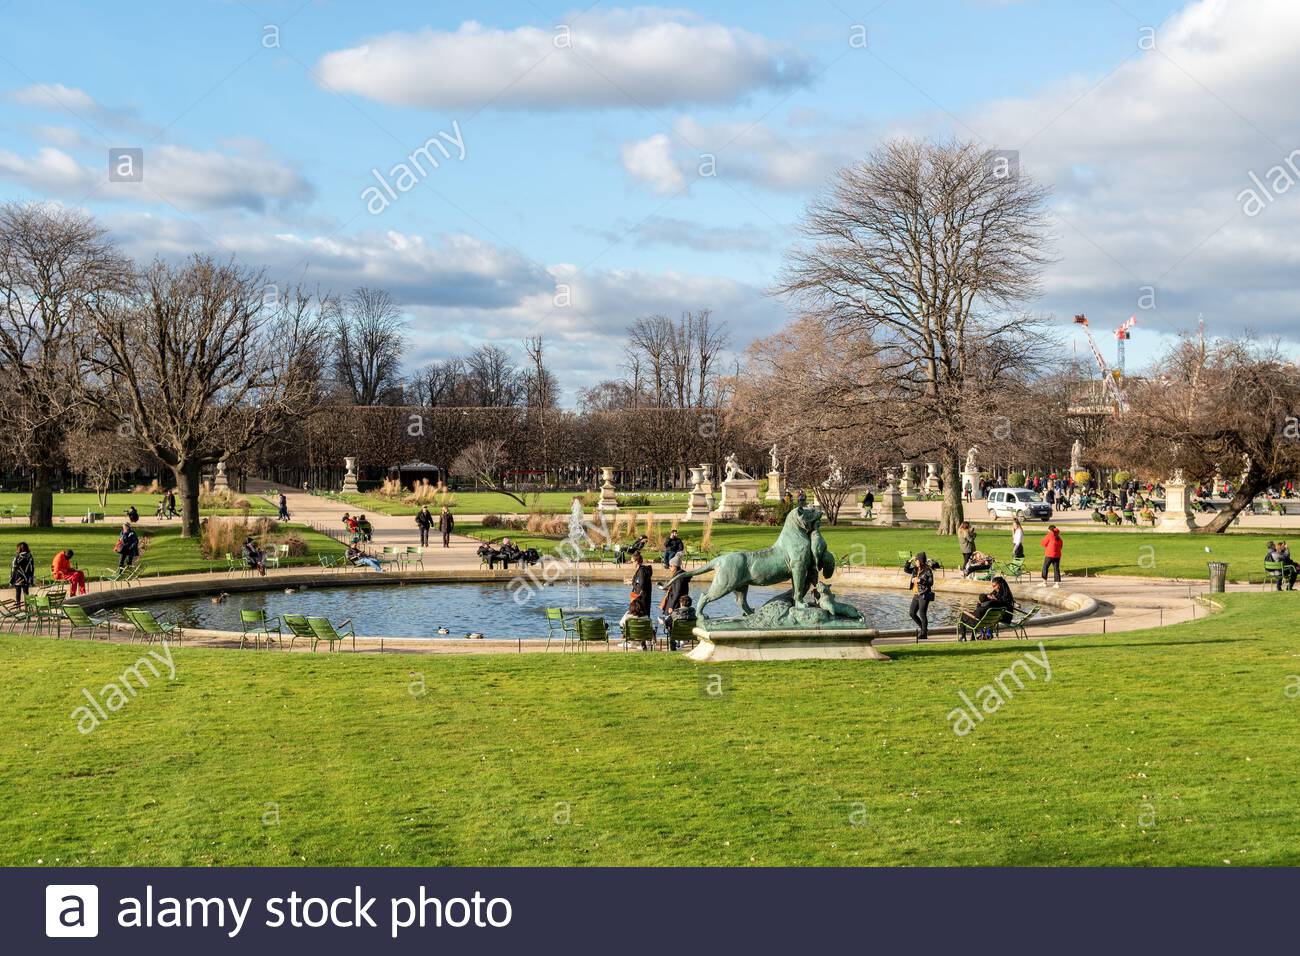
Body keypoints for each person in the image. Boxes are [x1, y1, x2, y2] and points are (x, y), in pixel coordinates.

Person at [957, 576, 1015, 641]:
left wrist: (985, 601)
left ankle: (963, 637)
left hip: (983, 620)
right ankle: (976, 637)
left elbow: (985, 604)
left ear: (1000, 585)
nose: (994, 588)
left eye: (994, 586)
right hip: (992, 619)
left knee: (962, 615)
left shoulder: (994, 602)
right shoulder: (1004, 597)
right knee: (977, 616)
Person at [620, 552, 654, 649]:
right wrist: (632, 582)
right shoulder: (642, 570)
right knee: (642, 619)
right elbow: (640, 583)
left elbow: (641, 585)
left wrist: (633, 584)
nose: (631, 563)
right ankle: (643, 642)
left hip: (641, 600)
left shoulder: (641, 571)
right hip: (644, 599)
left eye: (632, 561)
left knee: (639, 619)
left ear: (637, 561)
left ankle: (640, 642)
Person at [903, 551, 939, 641]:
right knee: (912, 613)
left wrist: (920, 580)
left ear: (921, 561)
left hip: (924, 594)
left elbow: (930, 583)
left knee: (922, 614)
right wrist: (910, 560)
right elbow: (906, 570)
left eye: (917, 560)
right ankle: (924, 629)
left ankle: (923, 634)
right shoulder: (915, 569)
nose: (916, 562)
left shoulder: (927, 570)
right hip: (916, 594)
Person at [658, 552, 690, 629]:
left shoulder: (678, 577)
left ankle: (673, 639)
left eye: (671, 566)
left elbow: (677, 592)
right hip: (679, 602)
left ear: (675, 566)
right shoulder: (681, 575)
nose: (669, 568)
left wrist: (671, 607)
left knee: (672, 623)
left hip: (675, 604)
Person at [10, 542, 34, 609]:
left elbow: (13, 567)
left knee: (18, 592)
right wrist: (31, 578)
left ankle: (18, 606)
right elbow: (32, 568)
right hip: (26, 577)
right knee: (26, 592)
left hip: (18, 577)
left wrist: (12, 578)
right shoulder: (29, 557)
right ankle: (27, 607)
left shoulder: (17, 557)